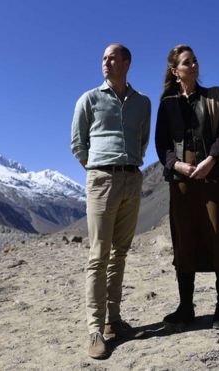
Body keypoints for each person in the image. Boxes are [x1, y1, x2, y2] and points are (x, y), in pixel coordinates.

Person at [154, 45, 219, 331]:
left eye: (195, 61)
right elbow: (162, 144)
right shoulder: (168, 104)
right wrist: (176, 165)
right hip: (182, 180)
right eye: (187, 62)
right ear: (175, 71)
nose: (194, 65)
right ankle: (186, 307)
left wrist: (211, 159)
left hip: (211, 174)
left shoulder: (215, 98)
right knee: (185, 240)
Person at [71, 43, 151, 360]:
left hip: (132, 178)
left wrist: (129, 166)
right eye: (103, 58)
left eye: (112, 57)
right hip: (101, 179)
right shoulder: (89, 99)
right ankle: (94, 328)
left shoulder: (143, 103)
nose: (106, 62)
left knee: (120, 252)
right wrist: (97, 170)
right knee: (98, 256)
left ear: (127, 62)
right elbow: (78, 143)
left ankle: (113, 322)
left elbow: (142, 140)